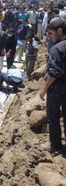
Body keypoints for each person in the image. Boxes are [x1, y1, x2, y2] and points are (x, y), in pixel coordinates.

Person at [38, 18, 66, 156]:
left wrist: (44, 89)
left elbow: (54, 73)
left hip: (57, 88)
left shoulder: (56, 49)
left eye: (50, 33)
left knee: (53, 117)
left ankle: (55, 146)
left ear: (60, 31)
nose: (48, 37)